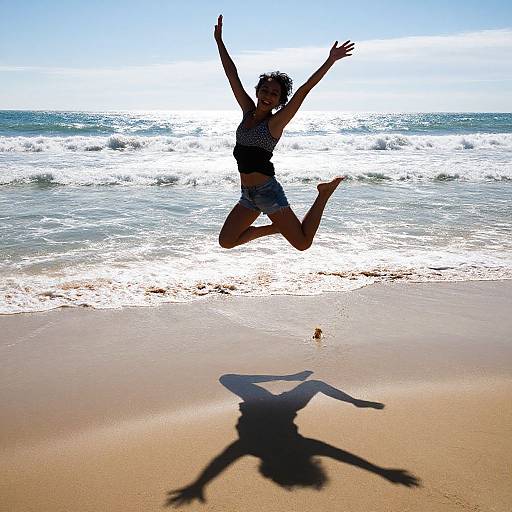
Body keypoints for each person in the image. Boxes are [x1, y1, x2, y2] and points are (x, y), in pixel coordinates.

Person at [166, 371, 419, 506]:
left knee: (229, 379)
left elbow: (221, 462)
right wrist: (381, 471)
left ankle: (345, 398)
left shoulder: (275, 447)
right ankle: (352, 401)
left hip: (269, 405)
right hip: (274, 406)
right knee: (314, 384)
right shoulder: (274, 448)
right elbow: (343, 456)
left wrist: (200, 484)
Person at [214, 14, 355, 251]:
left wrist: (330, 60)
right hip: (247, 194)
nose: (268, 95)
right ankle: (275, 228)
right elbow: (232, 75)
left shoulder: (275, 124)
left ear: (279, 101)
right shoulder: (247, 112)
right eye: (265, 90)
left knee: (302, 243)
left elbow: (304, 90)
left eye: (274, 94)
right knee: (226, 241)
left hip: (268, 192)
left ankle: (323, 194)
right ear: (257, 91)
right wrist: (219, 41)